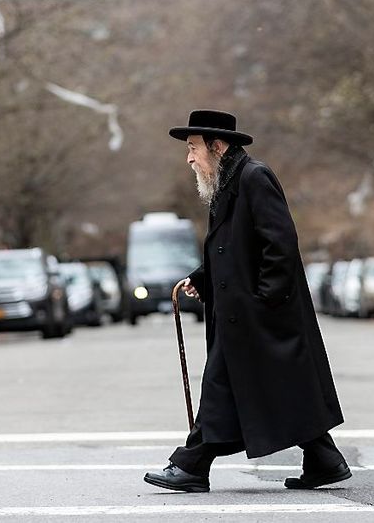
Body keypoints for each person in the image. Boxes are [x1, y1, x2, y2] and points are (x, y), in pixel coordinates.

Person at [144, 109, 349, 493]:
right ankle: (324, 458)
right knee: (280, 387)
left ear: (217, 146)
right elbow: (231, 249)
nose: (189, 157)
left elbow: (280, 242)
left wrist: (264, 300)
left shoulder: (254, 177)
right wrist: (200, 277)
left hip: (258, 313)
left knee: (222, 383)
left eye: (193, 148)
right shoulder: (226, 182)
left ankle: (192, 464)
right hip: (242, 312)